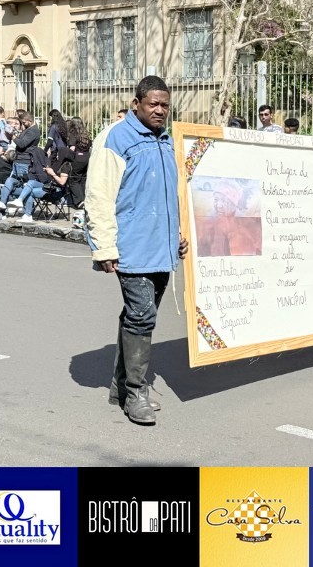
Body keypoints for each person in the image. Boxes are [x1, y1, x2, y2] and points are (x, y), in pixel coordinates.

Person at [85, 75, 188, 425]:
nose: (160, 110)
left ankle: (120, 387)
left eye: (165, 105)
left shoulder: (166, 141)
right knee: (142, 315)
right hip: (131, 246)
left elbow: (170, 194)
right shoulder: (116, 138)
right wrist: (104, 247)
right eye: (153, 104)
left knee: (138, 314)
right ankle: (136, 393)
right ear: (136, 104)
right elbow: (99, 195)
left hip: (161, 246)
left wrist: (178, 234)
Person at [0, 111, 41, 211]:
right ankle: (2, 203)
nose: (22, 124)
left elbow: (22, 144)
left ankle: (28, 211)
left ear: (30, 121)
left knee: (25, 185)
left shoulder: (33, 131)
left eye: (24, 123)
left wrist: (13, 137)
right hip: (18, 160)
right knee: (10, 180)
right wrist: (10, 135)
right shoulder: (28, 130)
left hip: (25, 161)